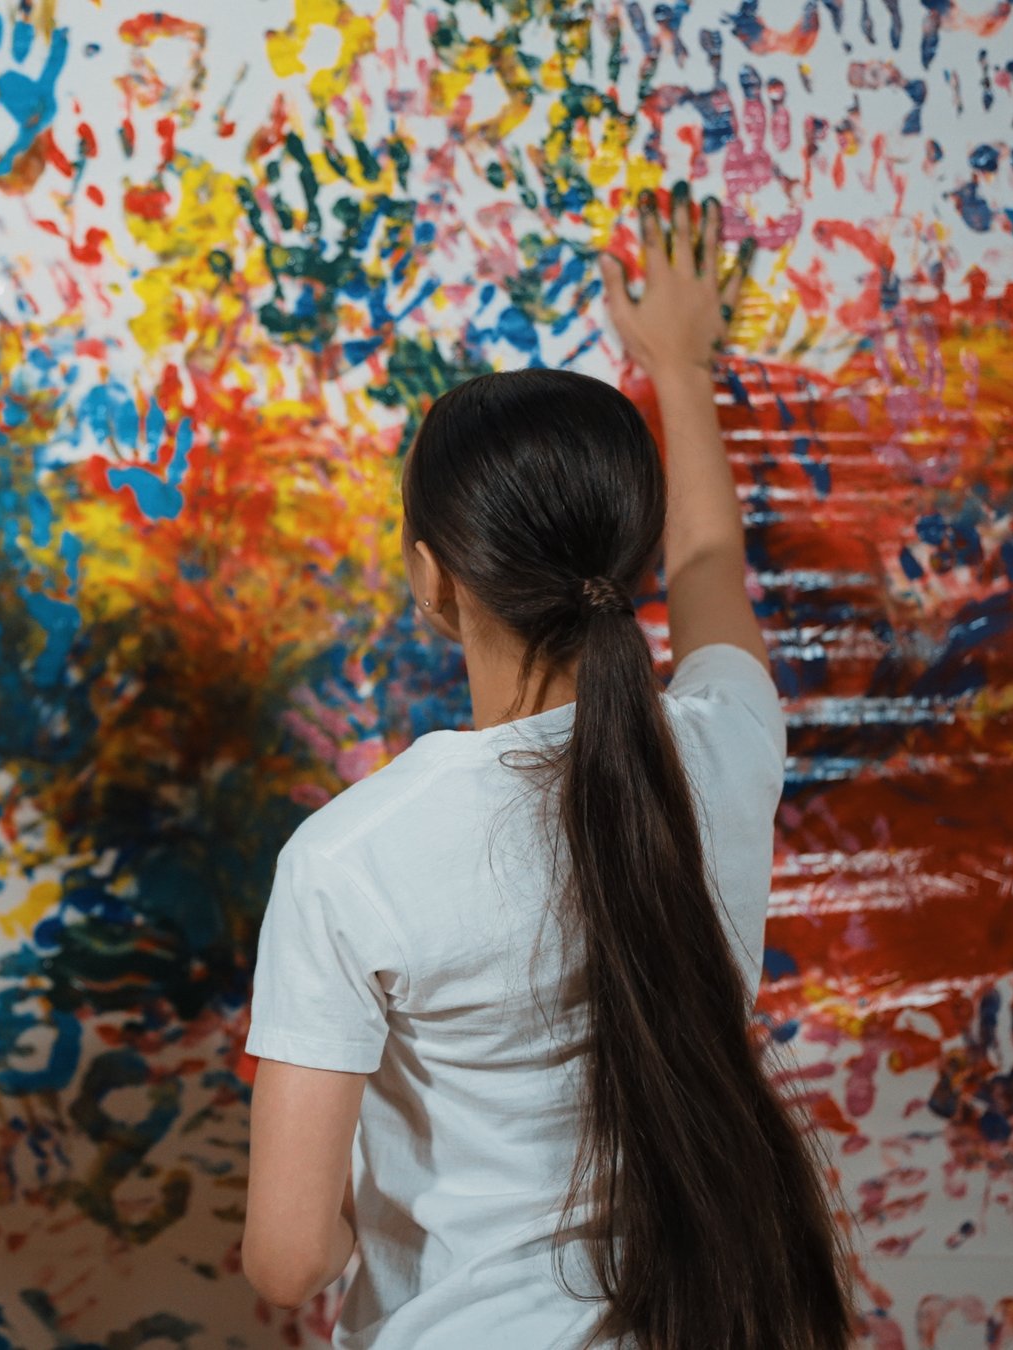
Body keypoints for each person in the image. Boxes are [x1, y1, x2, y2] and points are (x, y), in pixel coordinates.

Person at [239, 191, 855, 1349]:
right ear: (629, 560)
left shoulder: (350, 861)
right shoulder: (726, 742)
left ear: (432, 580)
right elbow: (714, 558)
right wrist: (678, 362)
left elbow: (287, 1259)